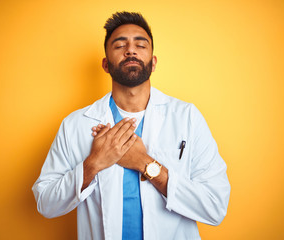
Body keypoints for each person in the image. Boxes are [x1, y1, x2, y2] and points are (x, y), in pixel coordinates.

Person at [32, 11, 230, 240]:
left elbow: (215, 207)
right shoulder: (75, 124)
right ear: (106, 65)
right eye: (120, 45)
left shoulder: (187, 117)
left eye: (140, 44)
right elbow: (45, 203)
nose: (131, 50)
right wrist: (93, 164)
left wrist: (146, 164)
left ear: (153, 62)